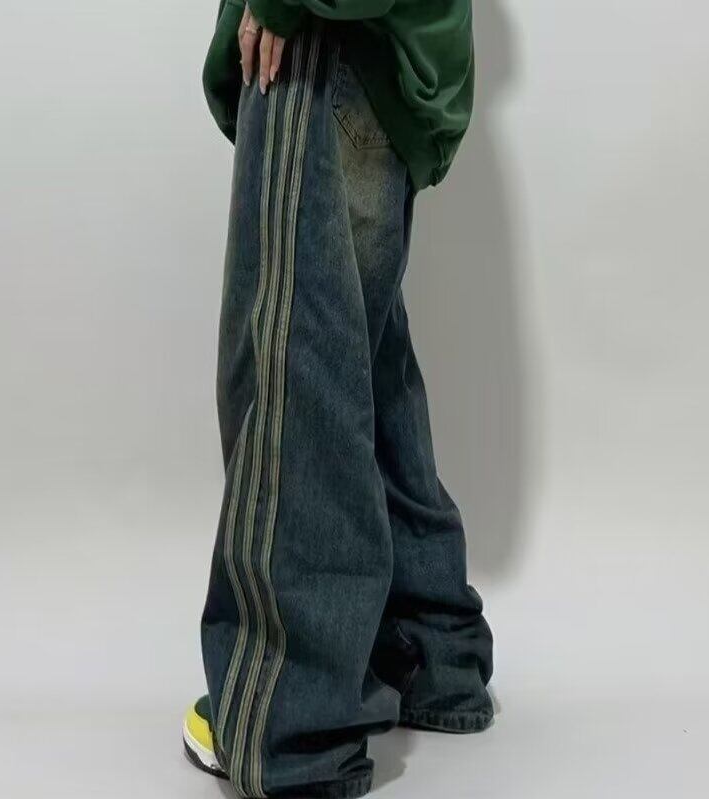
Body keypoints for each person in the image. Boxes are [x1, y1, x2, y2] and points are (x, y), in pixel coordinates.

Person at [182, 2, 494, 797]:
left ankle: (292, 724)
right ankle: (426, 650)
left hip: (323, 52)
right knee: (362, 364)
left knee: (297, 386)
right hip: (379, 63)